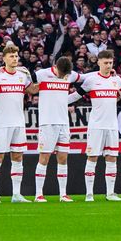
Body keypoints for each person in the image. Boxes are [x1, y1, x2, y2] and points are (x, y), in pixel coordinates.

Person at [0, 44, 35, 203]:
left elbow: (32, 90)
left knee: (18, 157)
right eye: (12, 56)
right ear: (4, 58)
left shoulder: (23, 75)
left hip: (19, 123)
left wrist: (54, 78)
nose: (15, 59)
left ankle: (16, 195)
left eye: (16, 56)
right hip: (2, 123)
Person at [77, 51, 121, 201]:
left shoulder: (116, 80)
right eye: (105, 62)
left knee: (112, 158)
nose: (108, 65)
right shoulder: (91, 80)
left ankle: (110, 193)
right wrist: (60, 102)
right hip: (96, 125)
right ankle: (89, 194)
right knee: (93, 158)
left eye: (110, 63)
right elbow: (76, 95)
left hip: (112, 125)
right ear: (98, 62)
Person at [33, 55, 77, 201]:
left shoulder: (69, 75)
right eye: (61, 74)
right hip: (47, 123)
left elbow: (85, 79)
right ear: (55, 67)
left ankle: (62, 194)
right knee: (44, 157)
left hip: (64, 123)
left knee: (63, 158)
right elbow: (27, 81)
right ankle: (38, 193)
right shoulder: (42, 74)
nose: (63, 77)